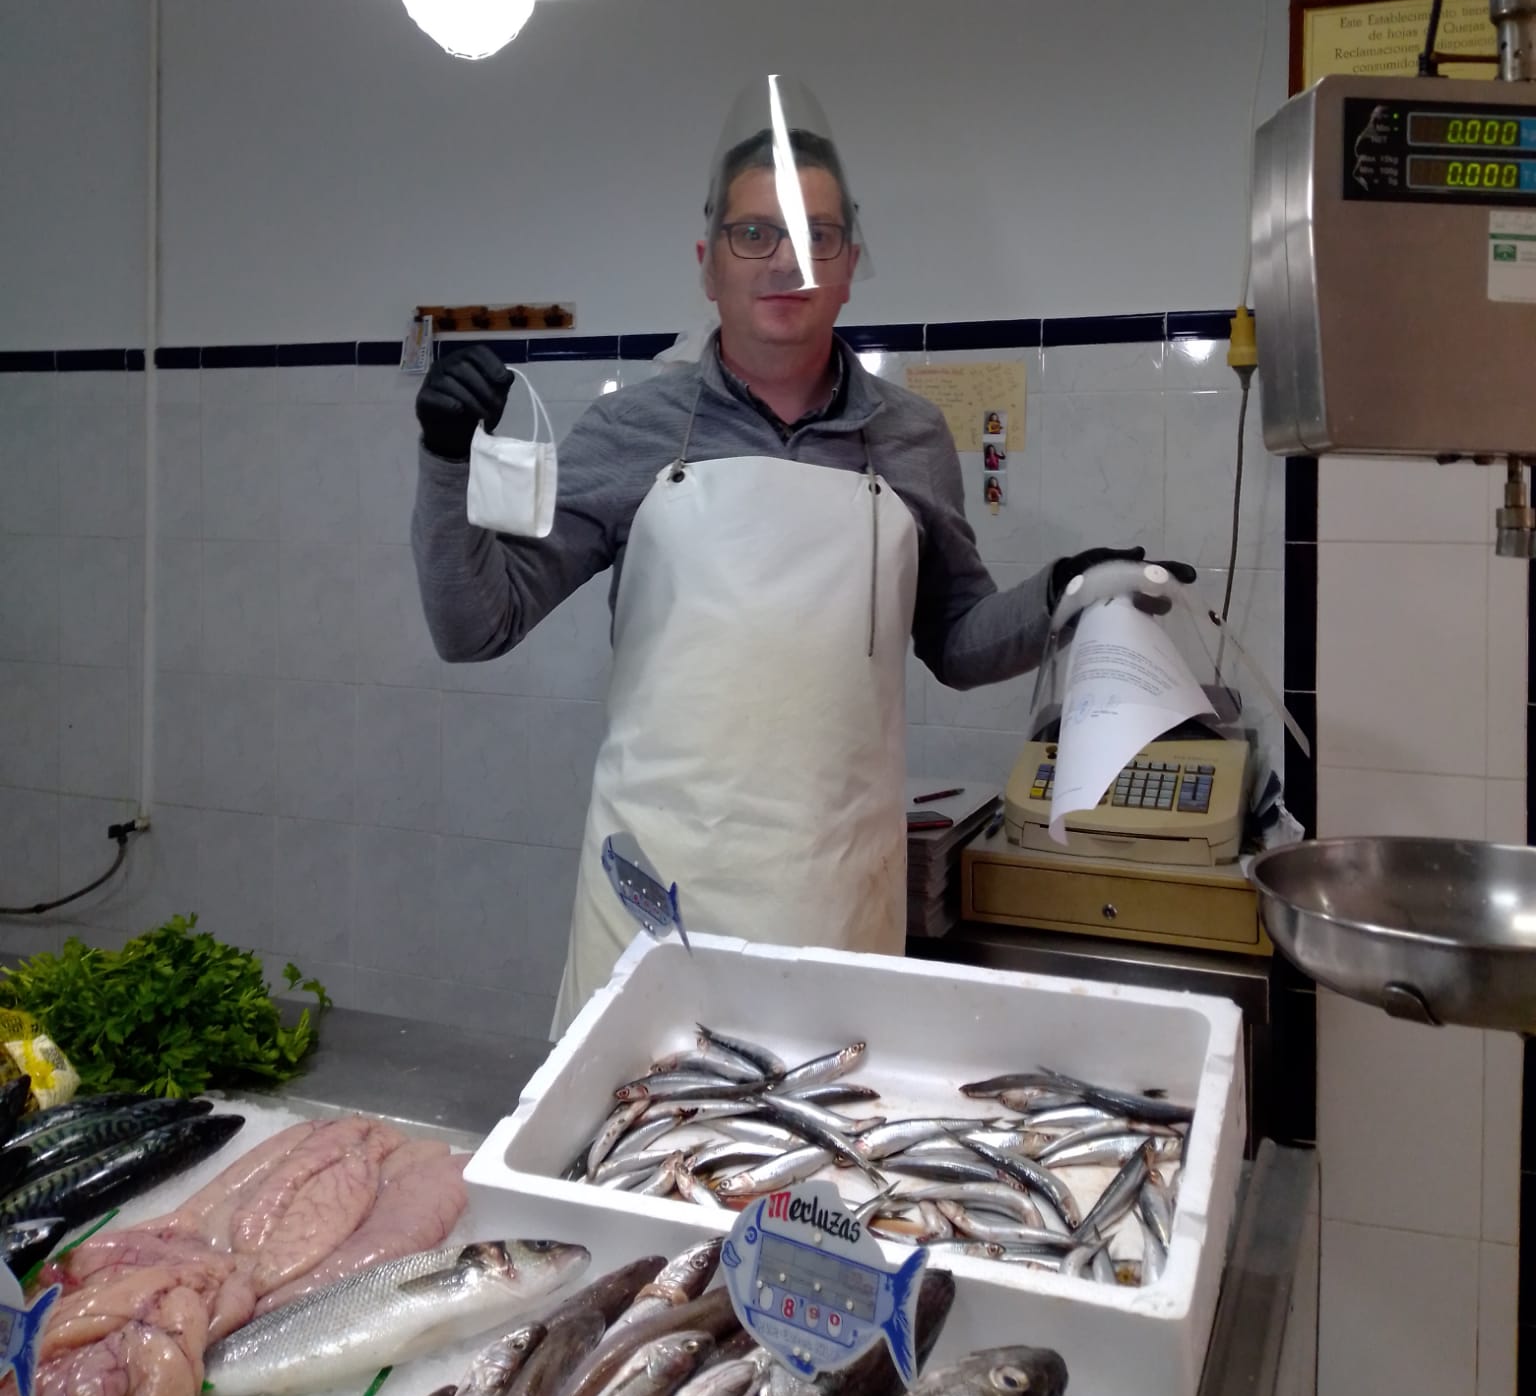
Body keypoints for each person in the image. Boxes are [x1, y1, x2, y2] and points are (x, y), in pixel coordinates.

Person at [411, 79, 1190, 1032]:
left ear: (851, 263)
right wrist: (445, 461)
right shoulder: (630, 431)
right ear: (707, 263)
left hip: (839, 898)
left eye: (819, 236)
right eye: (755, 234)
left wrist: (1063, 591)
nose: (788, 262)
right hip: (654, 904)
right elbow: (474, 625)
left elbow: (957, 639)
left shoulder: (910, 436)